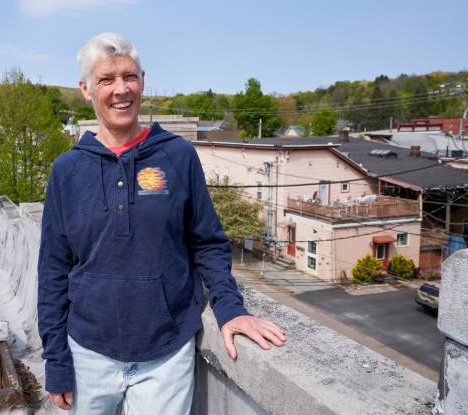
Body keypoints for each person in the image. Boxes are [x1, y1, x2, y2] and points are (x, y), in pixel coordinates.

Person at [37, 32, 285, 414]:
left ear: (143, 81)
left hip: (167, 356)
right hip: (87, 353)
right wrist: (56, 360)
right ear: (85, 89)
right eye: (106, 80)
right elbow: (53, 269)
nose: (121, 90)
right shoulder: (67, 170)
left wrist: (230, 309)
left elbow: (208, 243)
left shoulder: (178, 155)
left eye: (130, 77)